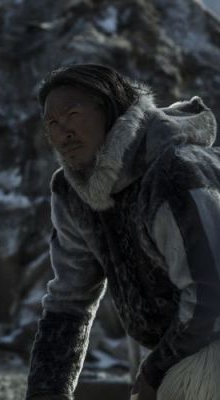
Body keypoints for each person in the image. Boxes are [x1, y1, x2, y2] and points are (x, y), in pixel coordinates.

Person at [25, 64, 220, 400]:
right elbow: (68, 303)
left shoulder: (177, 171)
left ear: (110, 110)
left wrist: (155, 371)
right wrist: (46, 393)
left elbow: (211, 292)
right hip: (169, 341)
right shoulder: (73, 192)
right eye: (52, 123)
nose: (63, 132)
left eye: (73, 115)